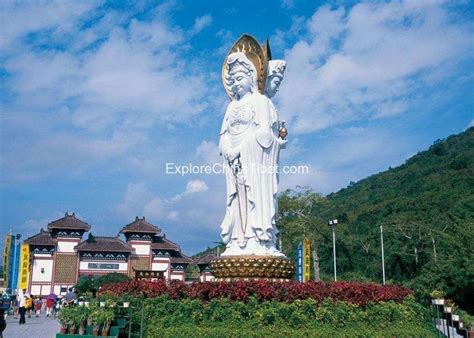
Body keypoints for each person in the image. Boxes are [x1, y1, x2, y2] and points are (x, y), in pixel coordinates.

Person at [219, 52, 287, 256]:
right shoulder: (231, 106)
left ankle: (258, 240)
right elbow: (223, 135)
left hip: (255, 164)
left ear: (251, 78)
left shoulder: (261, 102)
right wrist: (229, 150)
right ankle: (237, 240)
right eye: (232, 81)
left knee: (254, 198)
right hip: (234, 164)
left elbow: (264, 136)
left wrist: (241, 149)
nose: (235, 84)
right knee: (237, 202)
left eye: (239, 78)